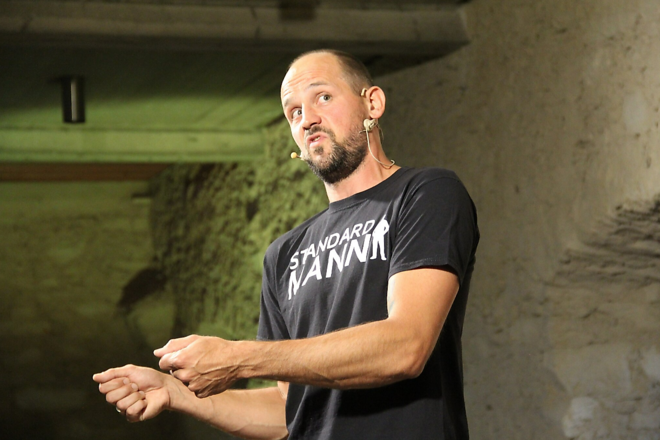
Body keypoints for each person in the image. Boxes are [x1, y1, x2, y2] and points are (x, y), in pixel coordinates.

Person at [93, 49, 479, 440]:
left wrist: (240, 358)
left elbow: (406, 346)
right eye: (293, 112)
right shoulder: (285, 254)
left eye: (322, 97)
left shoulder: (426, 194)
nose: (307, 118)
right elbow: (287, 409)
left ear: (372, 104)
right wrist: (179, 394)